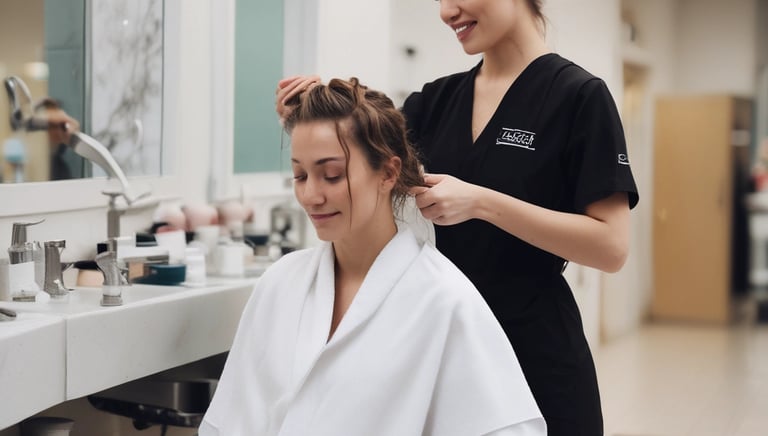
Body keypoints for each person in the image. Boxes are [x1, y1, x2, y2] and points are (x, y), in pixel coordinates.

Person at [276, 1, 640, 435]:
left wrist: (483, 203)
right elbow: (370, 172)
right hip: (441, 347)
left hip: (536, 350)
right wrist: (317, 123)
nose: (447, 11)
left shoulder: (578, 96)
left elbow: (611, 247)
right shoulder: (434, 101)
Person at [200, 78, 546, 436]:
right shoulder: (280, 283)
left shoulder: (444, 300)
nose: (311, 195)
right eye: (300, 175)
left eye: (331, 175)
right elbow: (229, 423)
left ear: (389, 172)